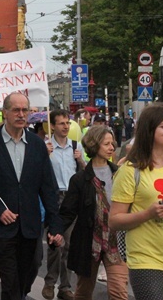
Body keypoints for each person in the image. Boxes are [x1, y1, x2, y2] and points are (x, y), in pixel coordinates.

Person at [0, 93, 64, 300]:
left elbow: (48, 188)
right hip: (1, 228)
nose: (21, 115)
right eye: (16, 110)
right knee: (10, 280)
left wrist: (55, 225)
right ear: (5, 113)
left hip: (30, 226)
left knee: (27, 274)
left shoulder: (37, 145)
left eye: (25, 110)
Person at [109, 103, 163, 300]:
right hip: (146, 259)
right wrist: (147, 214)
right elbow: (114, 221)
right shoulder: (130, 171)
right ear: (149, 130)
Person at [59, 125, 128, 300]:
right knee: (83, 292)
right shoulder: (80, 179)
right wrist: (56, 231)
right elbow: (68, 211)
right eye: (107, 144)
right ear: (94, 145)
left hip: (116, 240)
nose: (112, 147)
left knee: (119, 292)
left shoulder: (119, 173)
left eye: (112, 144)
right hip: (89, 242)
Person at [42, 109, 86, 300]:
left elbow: (84, 172)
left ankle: (65, 287)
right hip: (53, 197)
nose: (66, 126)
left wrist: (80, 160)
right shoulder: (45, 146)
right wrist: (45, 156)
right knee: (55, 242)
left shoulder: (75, 146)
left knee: (67, 244)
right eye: (61, 123)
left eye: (67, 123)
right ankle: (50, 282)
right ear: (52, 126)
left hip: (71, 198)